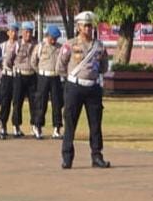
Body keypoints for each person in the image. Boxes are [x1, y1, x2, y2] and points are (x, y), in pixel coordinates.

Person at [59, 11, 110, 169]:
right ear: (79, 27)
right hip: (74, 86)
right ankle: (67, 157)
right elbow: (60, 65)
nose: (88, 29)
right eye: (85, 25)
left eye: (90, 25)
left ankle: (96, 155)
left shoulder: (99, 46)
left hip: (92, 87)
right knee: (70, 123)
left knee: (95, 124)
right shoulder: (70, 44)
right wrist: (68, 82)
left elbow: (103, 67)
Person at [31, 25, 64, 139]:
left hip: (55, 77)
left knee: (57, 104)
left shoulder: (60, 48)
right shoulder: (40, 47)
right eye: (52, 38)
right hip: (43, 77)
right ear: (47, 36)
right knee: (41, 103)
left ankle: (57, 128)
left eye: (56, 38)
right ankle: (38, 126)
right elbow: (33, 62)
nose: (54, 40)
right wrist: (40, 72)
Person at [6, 21, 37, 138]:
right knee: (17, 102)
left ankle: (34, 126)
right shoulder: (17, 44)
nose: (28, 35)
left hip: (32, 75)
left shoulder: (35, 44)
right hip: (19, 75)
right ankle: (16, 126)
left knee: (34, 102)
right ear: (22, 32)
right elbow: (9, 60)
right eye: (26, 32)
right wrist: (16, 68)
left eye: (30, 32)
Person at [0, 23, 19, 137]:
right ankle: (3, 124)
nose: (13, 33)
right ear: (8, 33)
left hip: (17, 75)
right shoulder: (2, 46)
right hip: (6, 76)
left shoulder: (20, 45)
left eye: (15, 31)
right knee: (5, 101)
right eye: (11, 31)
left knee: (16, 102)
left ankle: (16, 125)